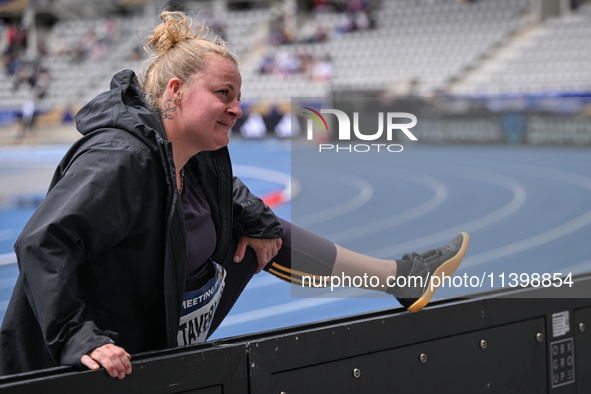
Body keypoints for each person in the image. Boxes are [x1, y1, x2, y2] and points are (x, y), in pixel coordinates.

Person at [0, 11, 469, 379]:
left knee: (261, 230)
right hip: (73, 366)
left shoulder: (197, 152)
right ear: (177, 92)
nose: (238, 108)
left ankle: (401, 279)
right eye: (224, 93)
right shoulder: (121, 159)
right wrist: (79, 338)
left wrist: (257, 221)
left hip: (151, 338)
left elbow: (232, 194)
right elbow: (41, 243)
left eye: (238, 96)